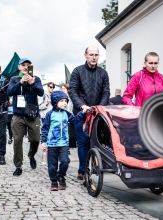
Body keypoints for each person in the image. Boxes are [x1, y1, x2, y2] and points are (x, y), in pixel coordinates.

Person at [69, 46, 110, 184]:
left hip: (97, 113)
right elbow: (73, 91)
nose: (94, 57)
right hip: (81, 113)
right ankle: (83, 171)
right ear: (85, 55)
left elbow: (106, 92)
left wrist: (99, 107)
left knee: (97, 143)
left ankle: (92, 167)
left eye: (96, 55)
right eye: (91, 54)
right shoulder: (77, 71)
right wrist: (82, 106)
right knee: (83, 143)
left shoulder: (103, 73)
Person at [41, 90, 86, 191]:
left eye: (66, 101)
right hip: (52, 144)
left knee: (65, 161)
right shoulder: (50, 114)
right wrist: (43, 141)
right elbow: (45, 128)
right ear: (55, 101)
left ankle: (61, 176)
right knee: (52, 164)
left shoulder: (67, 113)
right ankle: (53, 181)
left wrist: (83, 112)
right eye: (62, 101)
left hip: (64, 143)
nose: (64, 103)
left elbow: (75, 120)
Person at [7, 58, 44, 176]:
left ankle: (31, 155)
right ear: (19, 67)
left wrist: (32, 83)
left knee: (36, 139)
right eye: (23, 65)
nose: (25, 67)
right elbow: (9, 92)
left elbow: (41, 92)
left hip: (33, 115)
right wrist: (21, 82)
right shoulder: (14, 79)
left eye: (28, 65)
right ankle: (18, 165)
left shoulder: (36, 79)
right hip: (18, 115)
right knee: (17, 141)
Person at [61, 84, 76, 150]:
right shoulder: (61, 98)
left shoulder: (71, 98)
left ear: (67, 90)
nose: (63, 90)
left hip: (70, 117)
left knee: (70, 134)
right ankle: (66, 148)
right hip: (62, 117)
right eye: (62, 89)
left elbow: (72, 107)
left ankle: (69, 146)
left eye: (64, 89)